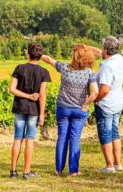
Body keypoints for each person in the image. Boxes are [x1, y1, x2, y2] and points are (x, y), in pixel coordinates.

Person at [41, 45, 99, 176]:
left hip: (63, 108)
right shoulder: (89, 72)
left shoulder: (64, 67)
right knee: (74, 139)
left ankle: (58, 169)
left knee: (62, 138)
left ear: (74, 56)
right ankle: (73, 170)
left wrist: (36, 54)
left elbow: (49, 59)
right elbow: (95, 92)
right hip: (79, 110)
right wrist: (86, 104)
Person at [9, 43, 51, 180]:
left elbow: (12, 89)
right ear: (40, 56)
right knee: (30, 140)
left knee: (17, 139)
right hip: (34, 110)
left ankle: (13, 171)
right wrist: (41, 115)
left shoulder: (19, 68)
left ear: (28, 54)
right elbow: (42, 95)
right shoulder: (44, 72)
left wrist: (26, 96)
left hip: (19, 107)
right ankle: (26, 172)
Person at [87, 37, 123, 174]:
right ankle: (117, 163)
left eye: (103, 47)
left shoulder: (107, 66)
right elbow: (100, 52)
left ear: (107, 50)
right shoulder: (118, 59)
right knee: (115, 133)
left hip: (106, 105)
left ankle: (109, 166)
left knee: (105, 134)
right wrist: (87, 47)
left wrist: (95, 99)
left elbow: (104, 89)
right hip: (117, 102)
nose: (101, 50)